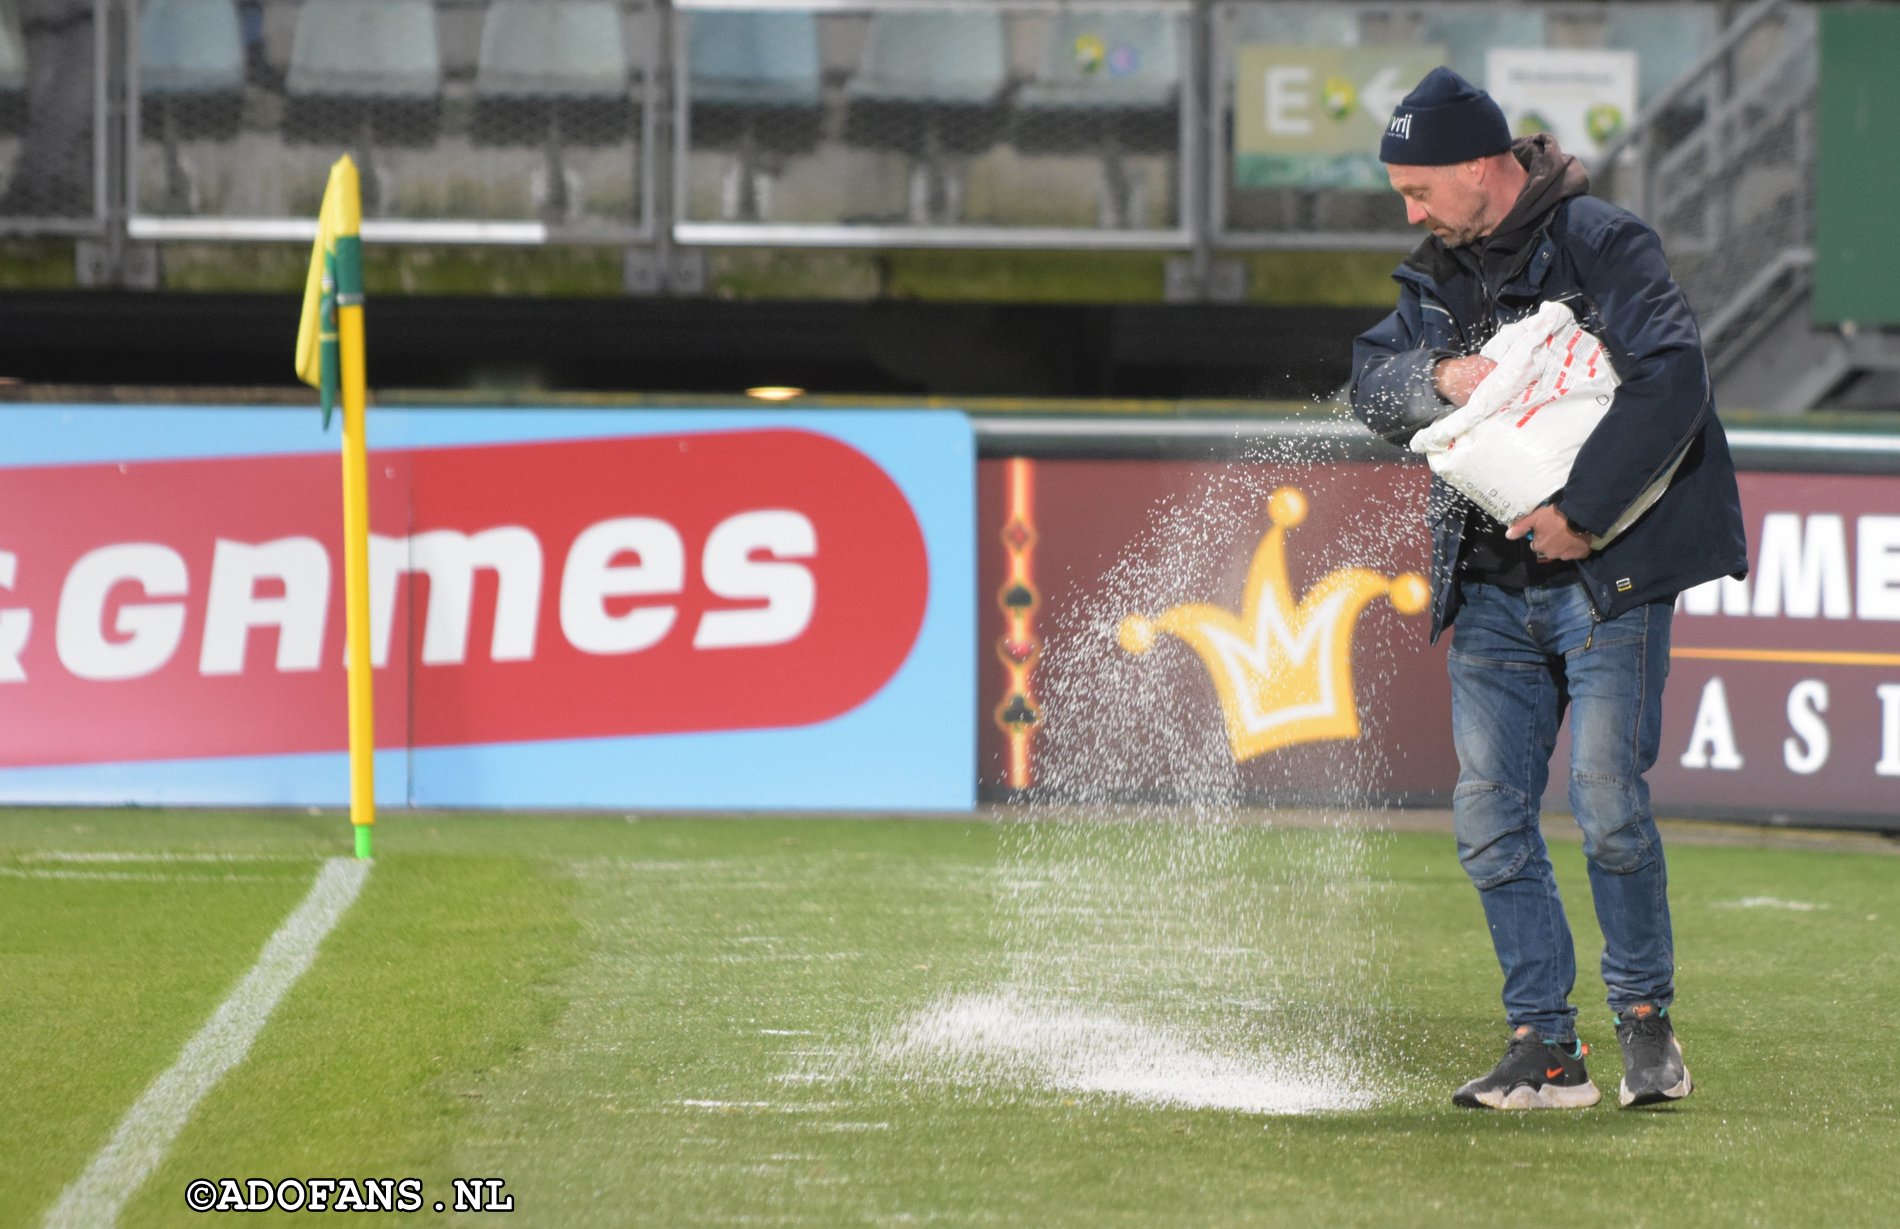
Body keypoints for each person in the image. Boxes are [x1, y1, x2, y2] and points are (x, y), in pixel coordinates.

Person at [1349, 67, 1748, 1110]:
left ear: (1483, 168)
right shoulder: (1432, 272)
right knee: (1487, 821)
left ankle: (1646, 1026)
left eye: (1419, 189)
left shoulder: (1603, 239)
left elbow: (1673, 376)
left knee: (1609, 805)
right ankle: (1545, 1044)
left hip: (1605, 574)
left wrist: (1582, 511)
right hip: (1488, 585)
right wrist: (1437, 377)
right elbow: (1368, 382)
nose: (1409, 211)